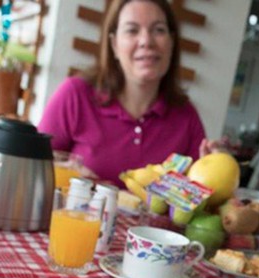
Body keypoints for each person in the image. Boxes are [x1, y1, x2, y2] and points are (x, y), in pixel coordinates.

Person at [38, 0, 221, 187]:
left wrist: (212, 175)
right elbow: (33, 165)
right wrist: (67, 174)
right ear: (114, 44)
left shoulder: (186, 117)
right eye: (132, 30)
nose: (146, 41)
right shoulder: (76, 95)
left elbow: (196, 203)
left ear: (172, 43)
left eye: (158, 30)